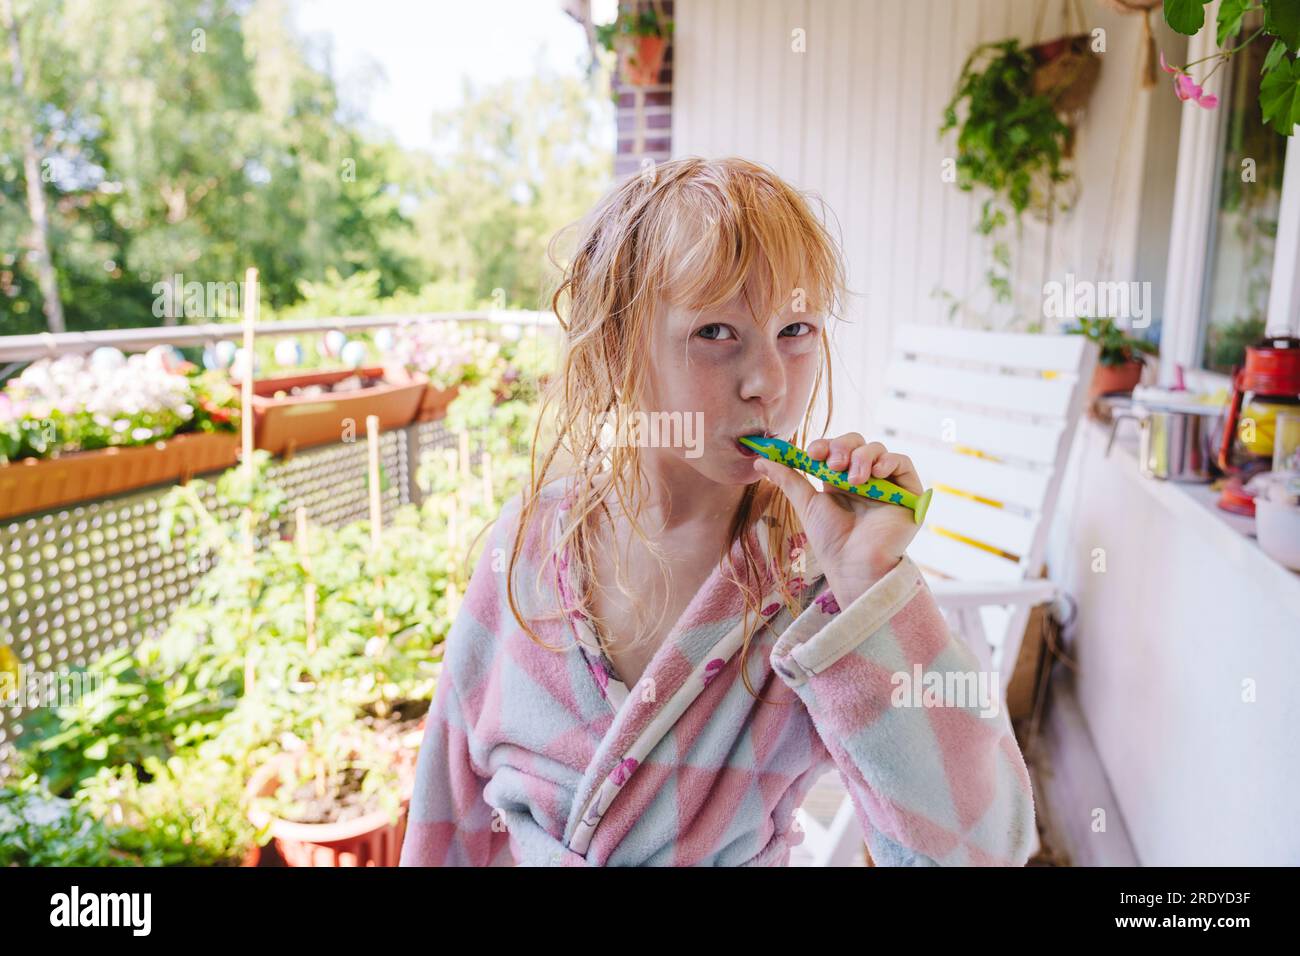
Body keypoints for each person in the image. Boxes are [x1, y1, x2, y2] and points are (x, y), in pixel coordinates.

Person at [399, 156, 1035, 867]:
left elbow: (980, 850)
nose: (767, 381)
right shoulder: (531, 542)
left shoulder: (815, 586)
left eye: (796, 329)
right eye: (716, 332)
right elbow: (447, 801)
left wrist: (870, 589)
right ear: (615, 349)